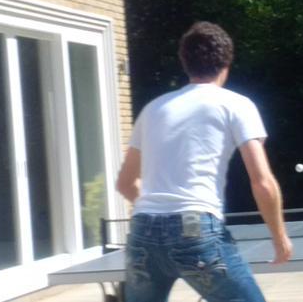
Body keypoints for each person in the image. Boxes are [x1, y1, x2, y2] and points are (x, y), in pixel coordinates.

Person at [116, 21, 292, 302]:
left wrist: (158, 213)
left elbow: (125, 184)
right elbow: (262, 182)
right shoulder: (237, 104)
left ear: (185, 62)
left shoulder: (152, 110)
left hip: (142, 232)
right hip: (195, 229)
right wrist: (280, 238)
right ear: (226, 64)